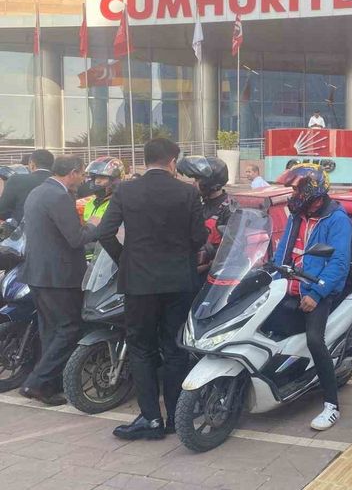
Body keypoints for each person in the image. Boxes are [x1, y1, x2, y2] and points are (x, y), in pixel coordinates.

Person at [99, 138, 208, 440]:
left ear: (146, 160)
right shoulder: (188, 192)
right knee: (174, 348)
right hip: (179, 281)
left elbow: (104, 232)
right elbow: (198, 237)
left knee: (141, 347)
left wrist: (126, 259)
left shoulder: (126, 191)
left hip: (139, 282)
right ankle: (175, 417)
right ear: (172, 161)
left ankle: (150, 419)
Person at [272, 163, 352, 430]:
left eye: (297, 190)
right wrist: (272, 275)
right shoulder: (298, 215)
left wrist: (317, 293)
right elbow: (282, 250)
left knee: (315, 340)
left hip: (317, 290)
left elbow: (339, 263)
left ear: (313, 191)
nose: (293, 195)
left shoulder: (336, 219)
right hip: (288, 285)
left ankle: (331, 405)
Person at [17, 156, 98, 407]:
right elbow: (76, 238)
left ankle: (48, 385)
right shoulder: (59, 197)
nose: (83, 179)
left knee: (50, 331)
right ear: (72, 172)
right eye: (82, 174)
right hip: (60, 276)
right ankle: (37, 382)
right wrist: (94, 225)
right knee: (69, 328)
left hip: (39, 273)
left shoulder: (37, 192)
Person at [177, 155, 236, 277]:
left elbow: (232, 248)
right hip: (194, 269)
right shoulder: (200, 204)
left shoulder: (229, 209)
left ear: (209, 182)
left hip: (216, 274)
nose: (194, 183)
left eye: (197, 180)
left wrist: (210, 262)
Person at [0, 149, 54, 223]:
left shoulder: (16, 180)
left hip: (22, 228)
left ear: (32, 164)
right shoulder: (59, 182)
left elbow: (2, 211)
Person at [79, 156, 125, 224]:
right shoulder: (90, 204)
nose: (97, 181)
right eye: (95, 177)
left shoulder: (119, 205)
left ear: (115, 180)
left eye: (102, 177)